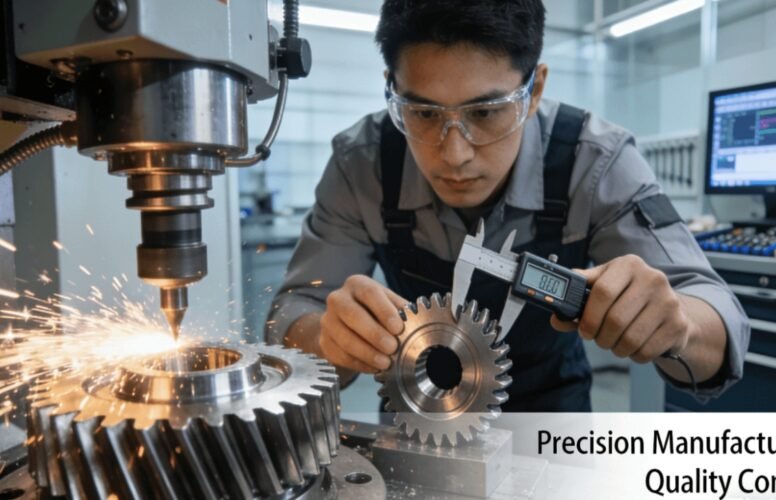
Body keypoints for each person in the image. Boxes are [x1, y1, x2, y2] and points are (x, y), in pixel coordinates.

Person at [265, 0, 749, 411]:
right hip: (420, 422)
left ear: (534, 90)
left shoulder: (595, 162)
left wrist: (679, 327)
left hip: (553, 424)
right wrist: (326, 338)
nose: (455, 153)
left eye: (485, 112)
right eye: (424, 113)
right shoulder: (361, 164)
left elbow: (719, 320)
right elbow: (291, 314)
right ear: (391, 85)